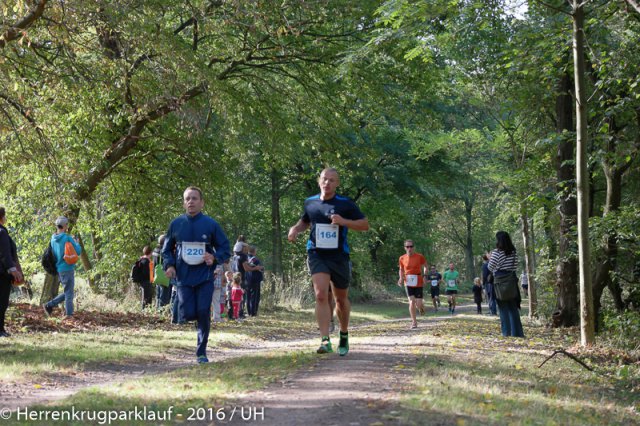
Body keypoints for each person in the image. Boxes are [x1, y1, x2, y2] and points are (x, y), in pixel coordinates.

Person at [288, 167, 369, 356]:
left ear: (337, 184)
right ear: (319, 181)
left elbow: (364, 225)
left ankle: (344, 334)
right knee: (321, 295)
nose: (327, 183)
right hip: (317, 253)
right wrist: (295, 229)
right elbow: (305, 221)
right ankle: (325, 340)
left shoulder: (346, 203)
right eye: (325, 179)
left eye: (332, 180)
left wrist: (343, 221)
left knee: (341, 299)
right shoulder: (310, 202)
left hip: (339, 255)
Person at [162, 186, 231, 363]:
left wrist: (214, 257)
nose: (190, 201)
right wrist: (169, 265)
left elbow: (225, 248)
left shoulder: (211, 224)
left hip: (205, 277)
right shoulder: (176, 224)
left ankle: (201, 352)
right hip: (183, 278)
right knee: (188, 312)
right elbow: (166, 249)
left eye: (194, 198)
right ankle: (195, 320)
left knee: (202, 312)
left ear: (202, 202)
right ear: (184, 203)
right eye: (187, 199)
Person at [43, 216, 82, 318]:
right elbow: (78, 251)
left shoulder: (52, 239)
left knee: (68, 292)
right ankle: (69, 315)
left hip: (59, 268)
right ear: (65, 226)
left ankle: (49, 305)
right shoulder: (67, 238)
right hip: (68, 268)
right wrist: (77, 243)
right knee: (69, 293)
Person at [488, 231, 524, 338]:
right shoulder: (513, 252)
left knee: (503, 307)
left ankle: (506, 333)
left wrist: (490, 258)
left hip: (499, 282)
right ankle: (517, 333)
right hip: (511, 280)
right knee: (513, 307)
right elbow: (515, 265)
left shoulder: (496, 252)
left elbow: (490, 267)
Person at [0, 207, 23, 337]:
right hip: (2, 273)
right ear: (2, 217)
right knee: (2, 301)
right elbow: (5, 254)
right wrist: (13, 270)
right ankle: (0, 329)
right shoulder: (2, 232)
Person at [397, 239, 428, 329]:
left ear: (414, 247)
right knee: (411, 302)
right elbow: (401, 269)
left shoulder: (419, 256)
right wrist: (401, 278)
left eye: (411, 246)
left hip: (418, 280)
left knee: (418, 303)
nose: (409, 248)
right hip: (408, 281)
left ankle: (421, 307)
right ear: (405, 248)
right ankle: (414, 322)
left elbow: (426, 266)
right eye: (407, 247)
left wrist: (425, 276)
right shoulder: (402, 258)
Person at [153, 235, 172, 309]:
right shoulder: (163, 251)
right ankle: (162, 310)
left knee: (158, 294)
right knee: (165, 295)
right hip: (164, 274)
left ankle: (157, 308)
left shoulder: (155, 250)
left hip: (157, 274)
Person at [245, 245, 265, 317]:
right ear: (254, 251)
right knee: (255, 296)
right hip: (255, 280)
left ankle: (248, 311)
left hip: (247, 279)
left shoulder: (246, 258)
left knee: (248, 296)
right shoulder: (256, 260)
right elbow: (260, 268)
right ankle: (253, 312)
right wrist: (262, 268)